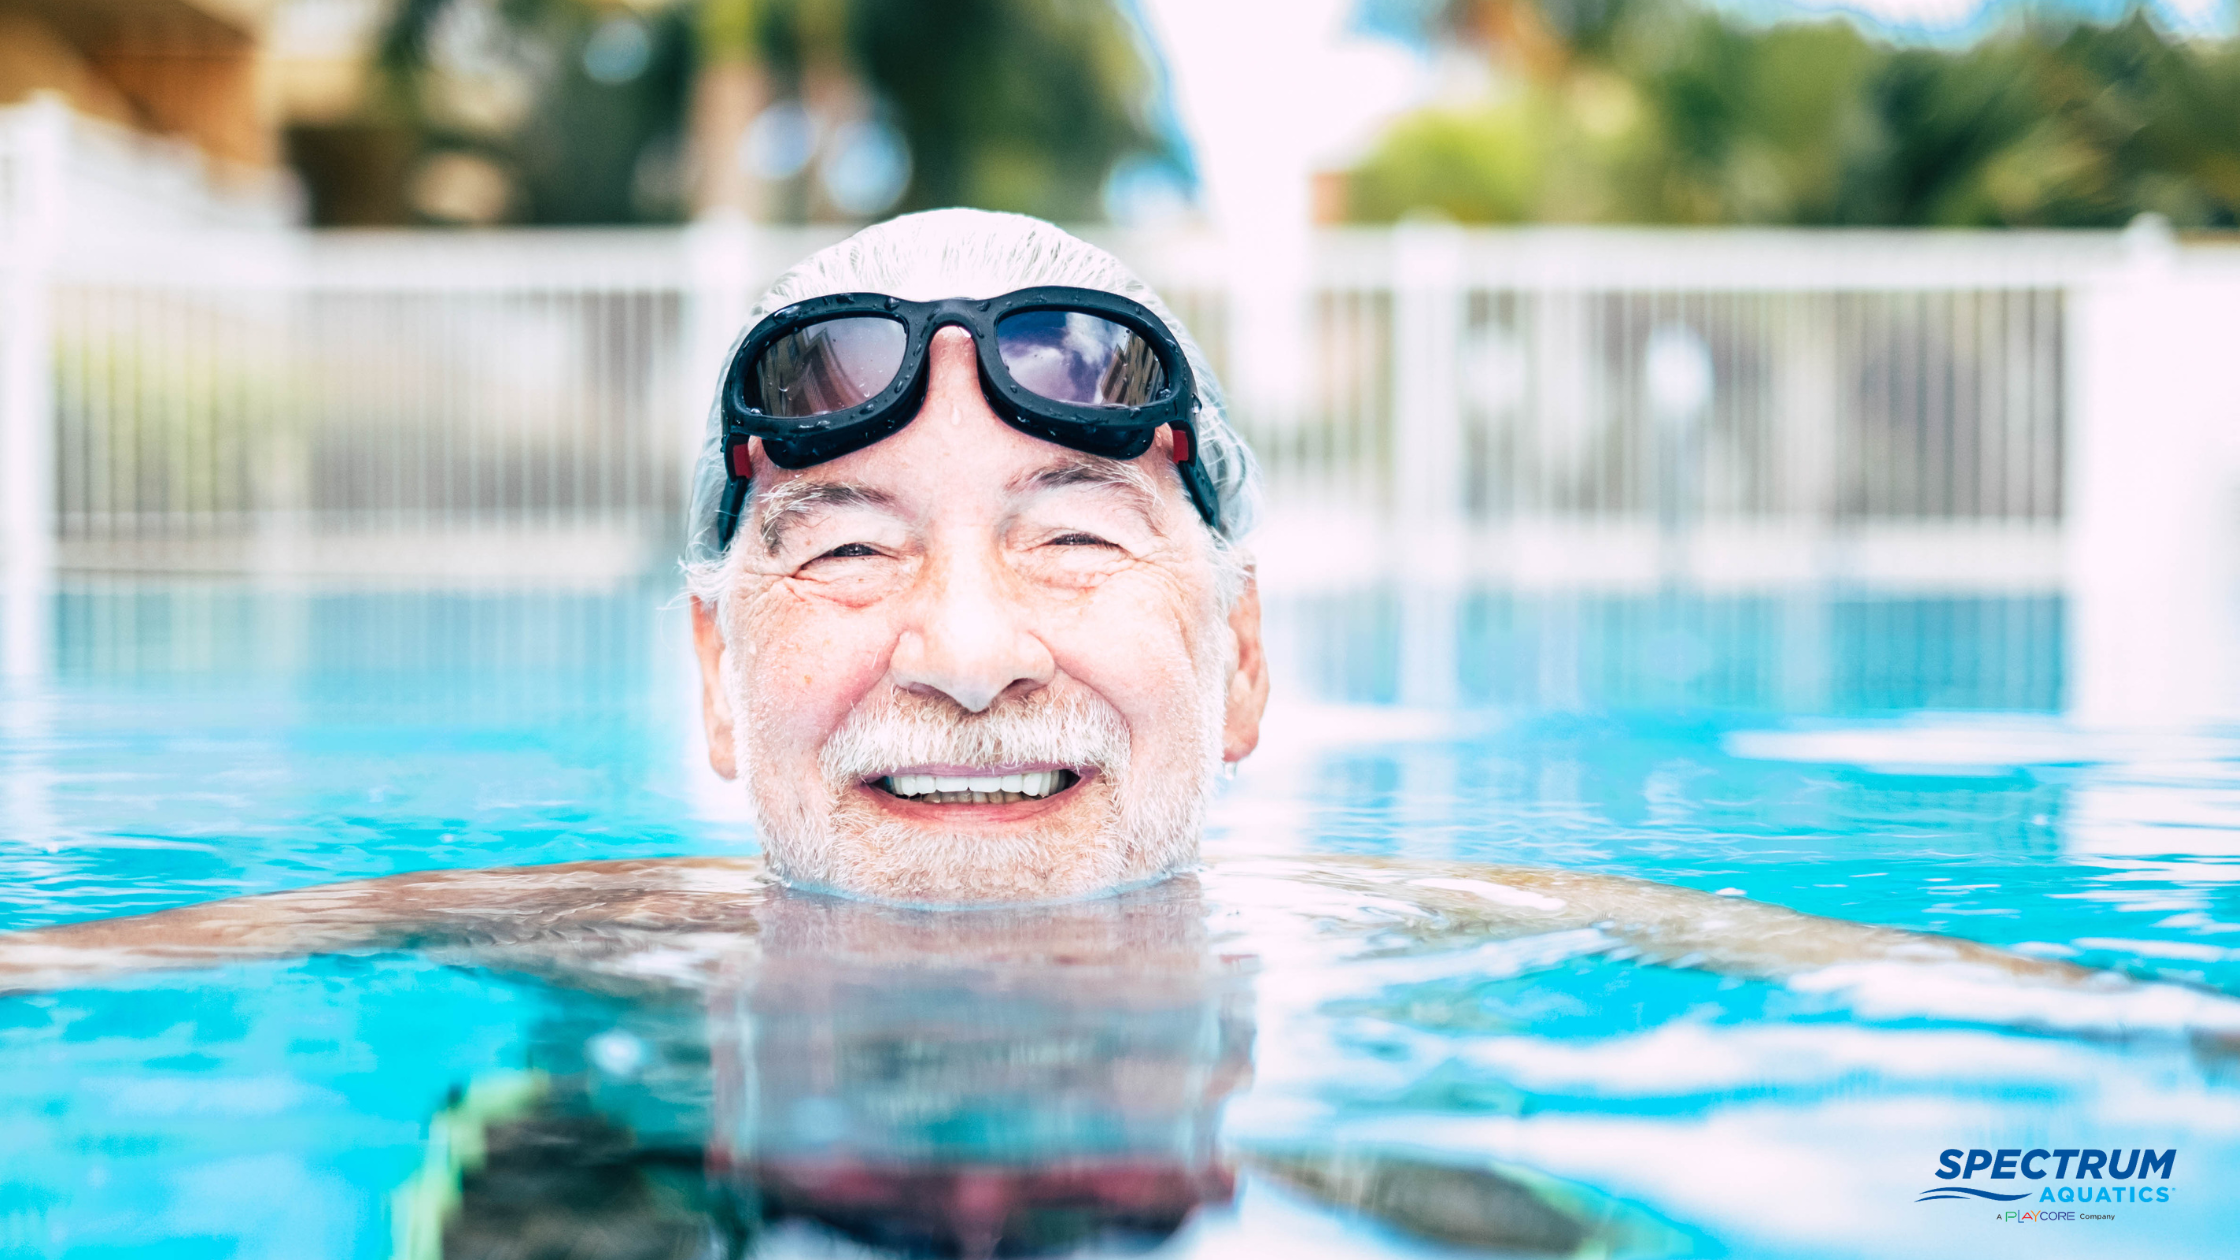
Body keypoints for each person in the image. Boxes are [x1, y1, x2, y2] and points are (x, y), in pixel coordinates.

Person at [3, 208, 2232, 1023]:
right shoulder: (544, 929)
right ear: (710, 680)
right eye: (846, 547)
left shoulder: (1461, 928)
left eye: (1075, 537)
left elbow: (2090, 1053)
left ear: (1244, 660)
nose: (967, 649)